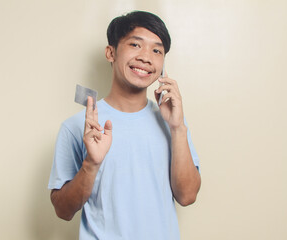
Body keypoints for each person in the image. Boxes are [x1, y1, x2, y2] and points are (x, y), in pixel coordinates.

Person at [48, 11, 201, 240]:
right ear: (111, 53)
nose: (146, 57)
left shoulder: (174, 124)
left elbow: (187, 196)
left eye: (156, 50)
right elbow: (62, 210)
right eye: (135, 45)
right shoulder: (78, 126)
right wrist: (91, 164)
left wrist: (177, 128)